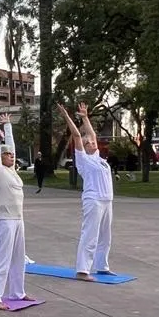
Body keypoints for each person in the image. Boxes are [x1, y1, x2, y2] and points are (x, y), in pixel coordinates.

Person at [0, 110, 34, 309]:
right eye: (7, 155)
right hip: (5, 220)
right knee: (2, 259)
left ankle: (17, 292)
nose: (11, 156)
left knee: (19, 258)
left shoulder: (12, 171)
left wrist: (8, 126)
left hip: (18, 219)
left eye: (12, 155)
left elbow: (9, 145)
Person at [58, 102, 115, 282]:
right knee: (90, 234)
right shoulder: (83, 159)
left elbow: (92, 133)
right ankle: (82, 270)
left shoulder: (98, 157)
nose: (91, 142)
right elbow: (77, 134)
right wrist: (67, 116)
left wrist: (85, 117)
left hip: (107, 200)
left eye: (92, 142)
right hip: (94, 200)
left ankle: (102, 266)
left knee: (105, 235)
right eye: (87, 142)